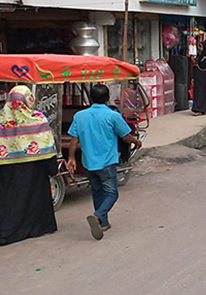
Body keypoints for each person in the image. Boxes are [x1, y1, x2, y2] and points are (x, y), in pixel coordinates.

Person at [68, 83, 143, 240]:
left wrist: (71, 158)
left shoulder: (79, 116)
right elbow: (125, 136)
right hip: (106, 162)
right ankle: (98, 216)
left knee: (97, 192)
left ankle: (104, 223)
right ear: (108, 98)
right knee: (111, 193)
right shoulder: (112, 116)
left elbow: (74, 140)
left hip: (88, 162)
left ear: (90, 98)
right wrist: (136, 142)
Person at [0, 85, 60, 245]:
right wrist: (52, 169)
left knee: (9, 199)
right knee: (34, 198)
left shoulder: (2, 121)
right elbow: (47, 146)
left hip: (7, 171)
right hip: (35, 171)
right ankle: (38, 227)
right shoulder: (38, 120)